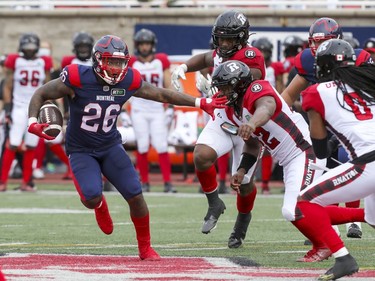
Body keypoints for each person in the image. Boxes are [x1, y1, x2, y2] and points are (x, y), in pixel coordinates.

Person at [27, 35, 226, 260]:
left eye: (120, 62)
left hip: (110, 144)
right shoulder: (76, 77)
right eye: (111, 61)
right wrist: (32, 122)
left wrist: (200, 102)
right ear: (98, 60)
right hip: (81, 149)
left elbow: (161, 94)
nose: (116, 68)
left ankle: (145, 248)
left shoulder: (128, 80)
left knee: (135, 195)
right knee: (90, 198)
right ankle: (100, 205)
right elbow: (41, 93)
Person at [214, 60, 358, 264]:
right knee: (302, 209)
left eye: (225, 87)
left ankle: (326, 243)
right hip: (289, 159)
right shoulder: (236, 110)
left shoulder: (257, 88)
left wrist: (252, 123)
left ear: (238, 84)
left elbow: (267, 106)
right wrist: (242, 169)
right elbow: (253, 145)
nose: (222, 93)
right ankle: (360, 219)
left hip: (304, 151)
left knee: (295, 210)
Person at [171, 10, 266, 248]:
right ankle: (214, 202)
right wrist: (183, 67)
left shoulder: (252, 55)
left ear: (242, 38)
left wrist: (219, 83)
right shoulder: (218, 53)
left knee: (244, 185)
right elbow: (205, 59)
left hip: (246, 122)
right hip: (224, 117)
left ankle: (241, 223)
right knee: (201, 156)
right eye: (221, 38)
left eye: (229, 39)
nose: (224, 44)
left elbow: (250, 78)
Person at [281, 17, 373, 242]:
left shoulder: (319, 91)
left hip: (355, 131)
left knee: (337, 172)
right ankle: (327, 226)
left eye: (324, 42)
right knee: (329, 169)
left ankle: (337, 234)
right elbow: (286, 98)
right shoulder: (308, 65)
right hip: (335, 124)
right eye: (314, 42)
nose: (317, 48)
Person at [297, 38, 375, 280]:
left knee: (304, 202)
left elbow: (320, 145)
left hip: (369, 162)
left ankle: (343, 258)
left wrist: (319, 164)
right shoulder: (367, 83)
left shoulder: (315, 92)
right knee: (373, 219)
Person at [0, 33, 53, 192]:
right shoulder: (16, 61)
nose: (29, 50)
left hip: (35, 107)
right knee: (13, 143)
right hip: (19, 106)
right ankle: (2, 182)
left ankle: (27, 182)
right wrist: (8, 109)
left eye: (32, 46)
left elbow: (49, 86)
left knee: (31, 144)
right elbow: (8, 86)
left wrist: (48, 106)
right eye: (26, 46)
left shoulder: (43, 62)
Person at [128, 28, 176, 193]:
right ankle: (145, 182)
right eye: (142, 44)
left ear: (152, 45)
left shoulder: (161, 61)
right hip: (139, 109)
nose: (144, 47)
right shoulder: (131, 63)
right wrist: (123, 110)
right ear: (137, 45)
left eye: (147, 44)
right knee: (142, 146)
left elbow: (168, 84)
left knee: (162, 145)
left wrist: (170, 106)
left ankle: (168, 183)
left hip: (156, 109)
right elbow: (125, 86)